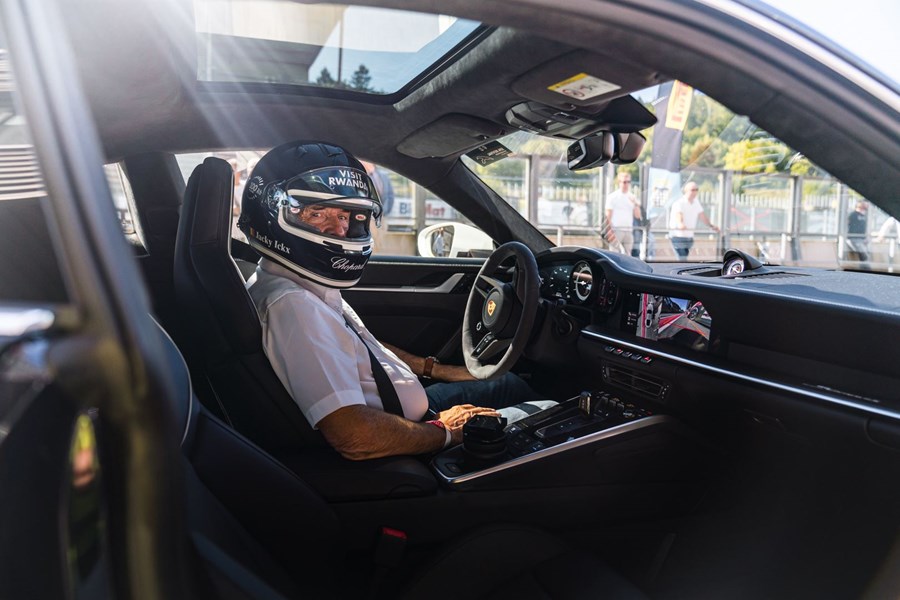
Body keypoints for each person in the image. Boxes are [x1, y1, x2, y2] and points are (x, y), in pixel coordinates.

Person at [239, 141, 552, 461]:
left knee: (508, 384)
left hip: (409, 415)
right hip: (405, 437)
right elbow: (354, 436)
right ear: (272, 214)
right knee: (551, 413)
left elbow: (359, 348)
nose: (340, 230)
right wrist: (446, 431)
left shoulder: (298, 284)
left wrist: (438, 370)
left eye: (345, 215)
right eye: (317, 213)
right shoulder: (294, 306)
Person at [668, 182, 719, 261]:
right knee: (682, 259)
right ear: (686, 191)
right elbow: (679, 215)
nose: (695, 192)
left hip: (689, 237)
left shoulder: (696, 202)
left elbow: (702, 216)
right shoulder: (679, 203)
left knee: (683, 259)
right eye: (692, 190)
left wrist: (712, 226)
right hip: (678, 237)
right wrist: (681, 224)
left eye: (696, 190)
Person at [603, 171, 641, 255]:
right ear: (619, 182)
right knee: (614, 254)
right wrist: (609, 231)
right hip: (616, 229)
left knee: (628, 255)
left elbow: (637, 216)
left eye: (628, 182)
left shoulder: (632, 197)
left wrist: (635, 204)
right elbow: (608, 216)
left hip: (628, 230)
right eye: (624, 182)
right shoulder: (612, 197)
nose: (626, 184)